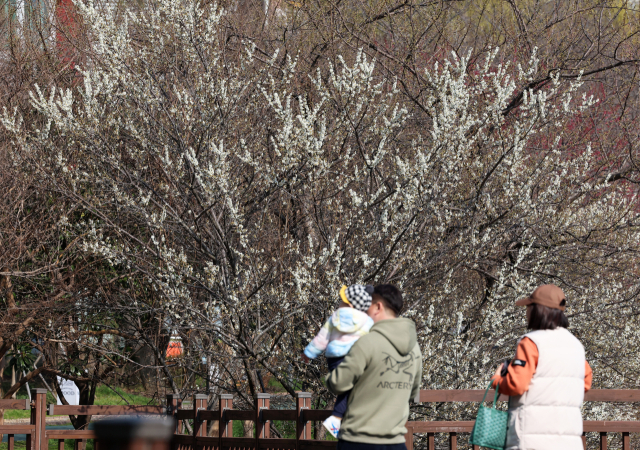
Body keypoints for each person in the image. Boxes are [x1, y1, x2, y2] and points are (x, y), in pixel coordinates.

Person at [491, 284, 593, 450]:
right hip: (569, 441)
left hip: (531, 439)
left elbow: (517, 384)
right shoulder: (576, 345)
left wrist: (497, 380)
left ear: (536, 310)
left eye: (529, 307)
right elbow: (585, 383)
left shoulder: (531, 342)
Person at [325, 284, 422, 450]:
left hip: (358, 439)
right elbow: (413, 392)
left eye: (368, 306)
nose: (365, 312)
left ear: (378, 307)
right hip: (396, 442)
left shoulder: (367, 342)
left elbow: (338, 383)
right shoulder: (415, 348)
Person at [302, 284, 375, 437]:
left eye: (342, 300)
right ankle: (339, 418)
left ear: (349, 304)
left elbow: (322, 338)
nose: (339, 303)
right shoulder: (367, 321)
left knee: (349, 388)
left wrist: (309, 353)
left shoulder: (336, 316)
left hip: (334, 360)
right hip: (353, 360)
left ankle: (342, 418)